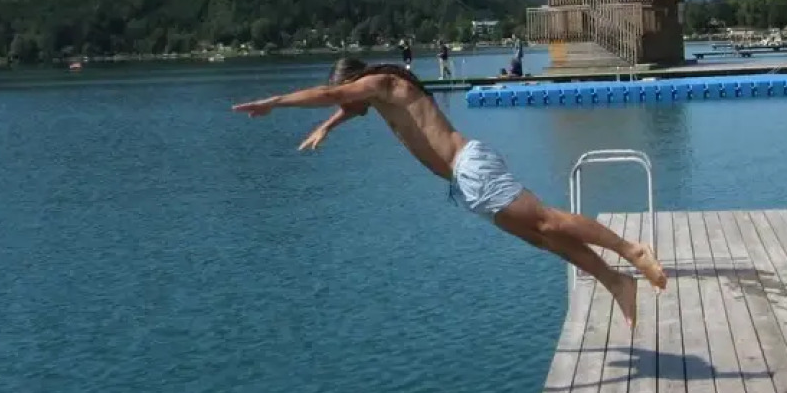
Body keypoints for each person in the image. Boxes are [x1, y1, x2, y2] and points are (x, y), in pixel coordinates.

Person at [231, 58, 668, 326]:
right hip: (467, 181)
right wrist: (327, 126)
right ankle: (615, 283)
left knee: (549, 220)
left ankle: (632, 251)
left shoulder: (383, 84)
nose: (351, 109)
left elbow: (332, 94)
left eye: (349, 97)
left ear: (355, 81)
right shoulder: (382, 95)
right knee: (544, 237)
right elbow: (346, 106)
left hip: (471, 168)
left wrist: (276, 102)